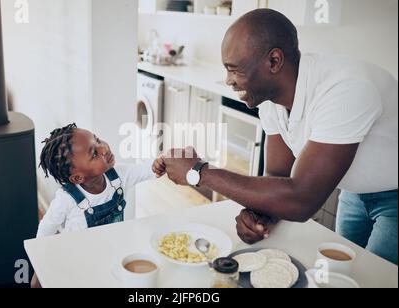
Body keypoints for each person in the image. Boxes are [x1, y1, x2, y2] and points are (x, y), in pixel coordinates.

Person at [154, 9, 398, 265]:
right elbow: (279, 176)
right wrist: (264, 215)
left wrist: (199, 171)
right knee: (348, 273)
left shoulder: (346, 89)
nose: (228, 81)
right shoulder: (270, 98)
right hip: (352, 193)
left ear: (273, 61)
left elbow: (302, 199)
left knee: (379, 278)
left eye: (234, 70)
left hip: (394, 198)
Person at [32, 123, 163, 287]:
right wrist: (39, 265)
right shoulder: (66, 199)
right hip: (78, 258)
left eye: (98, 139)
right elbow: (47, 228)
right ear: (78, 178)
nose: (103, 149)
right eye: (94, 153)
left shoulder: (120, 175)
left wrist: (161, 164)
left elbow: (151, 170)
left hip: (113, 250)